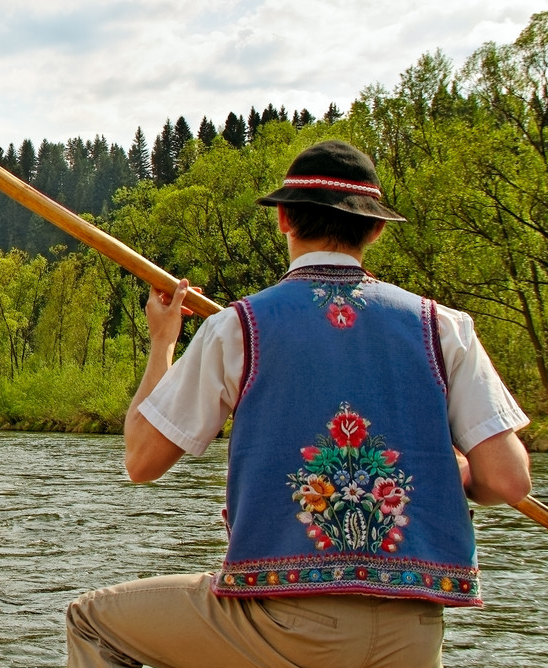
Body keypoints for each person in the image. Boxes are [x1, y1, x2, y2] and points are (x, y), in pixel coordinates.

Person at [66, 140, 534, 668]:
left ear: (284, 218)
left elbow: (141, 460)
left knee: (92, 622)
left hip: (285, 622)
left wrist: (162, 344)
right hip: (417, 628)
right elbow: (509, 482)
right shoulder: (445, 328)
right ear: (376, 229)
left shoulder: (237, 329)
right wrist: (463, 472)